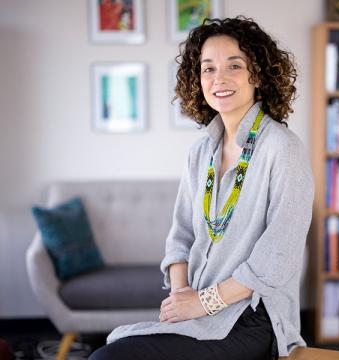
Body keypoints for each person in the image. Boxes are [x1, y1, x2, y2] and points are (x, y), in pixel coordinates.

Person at [89, 16, 314, 360]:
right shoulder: (201, 151)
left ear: (259, 75)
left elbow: (277, 258)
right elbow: (179, 238)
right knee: (114, 350)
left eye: (234, 65)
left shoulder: (283, 148)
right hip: (198, 313)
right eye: (208, 69)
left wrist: (203, 303)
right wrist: (182, 298)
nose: (219, 78)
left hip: (254, 318)